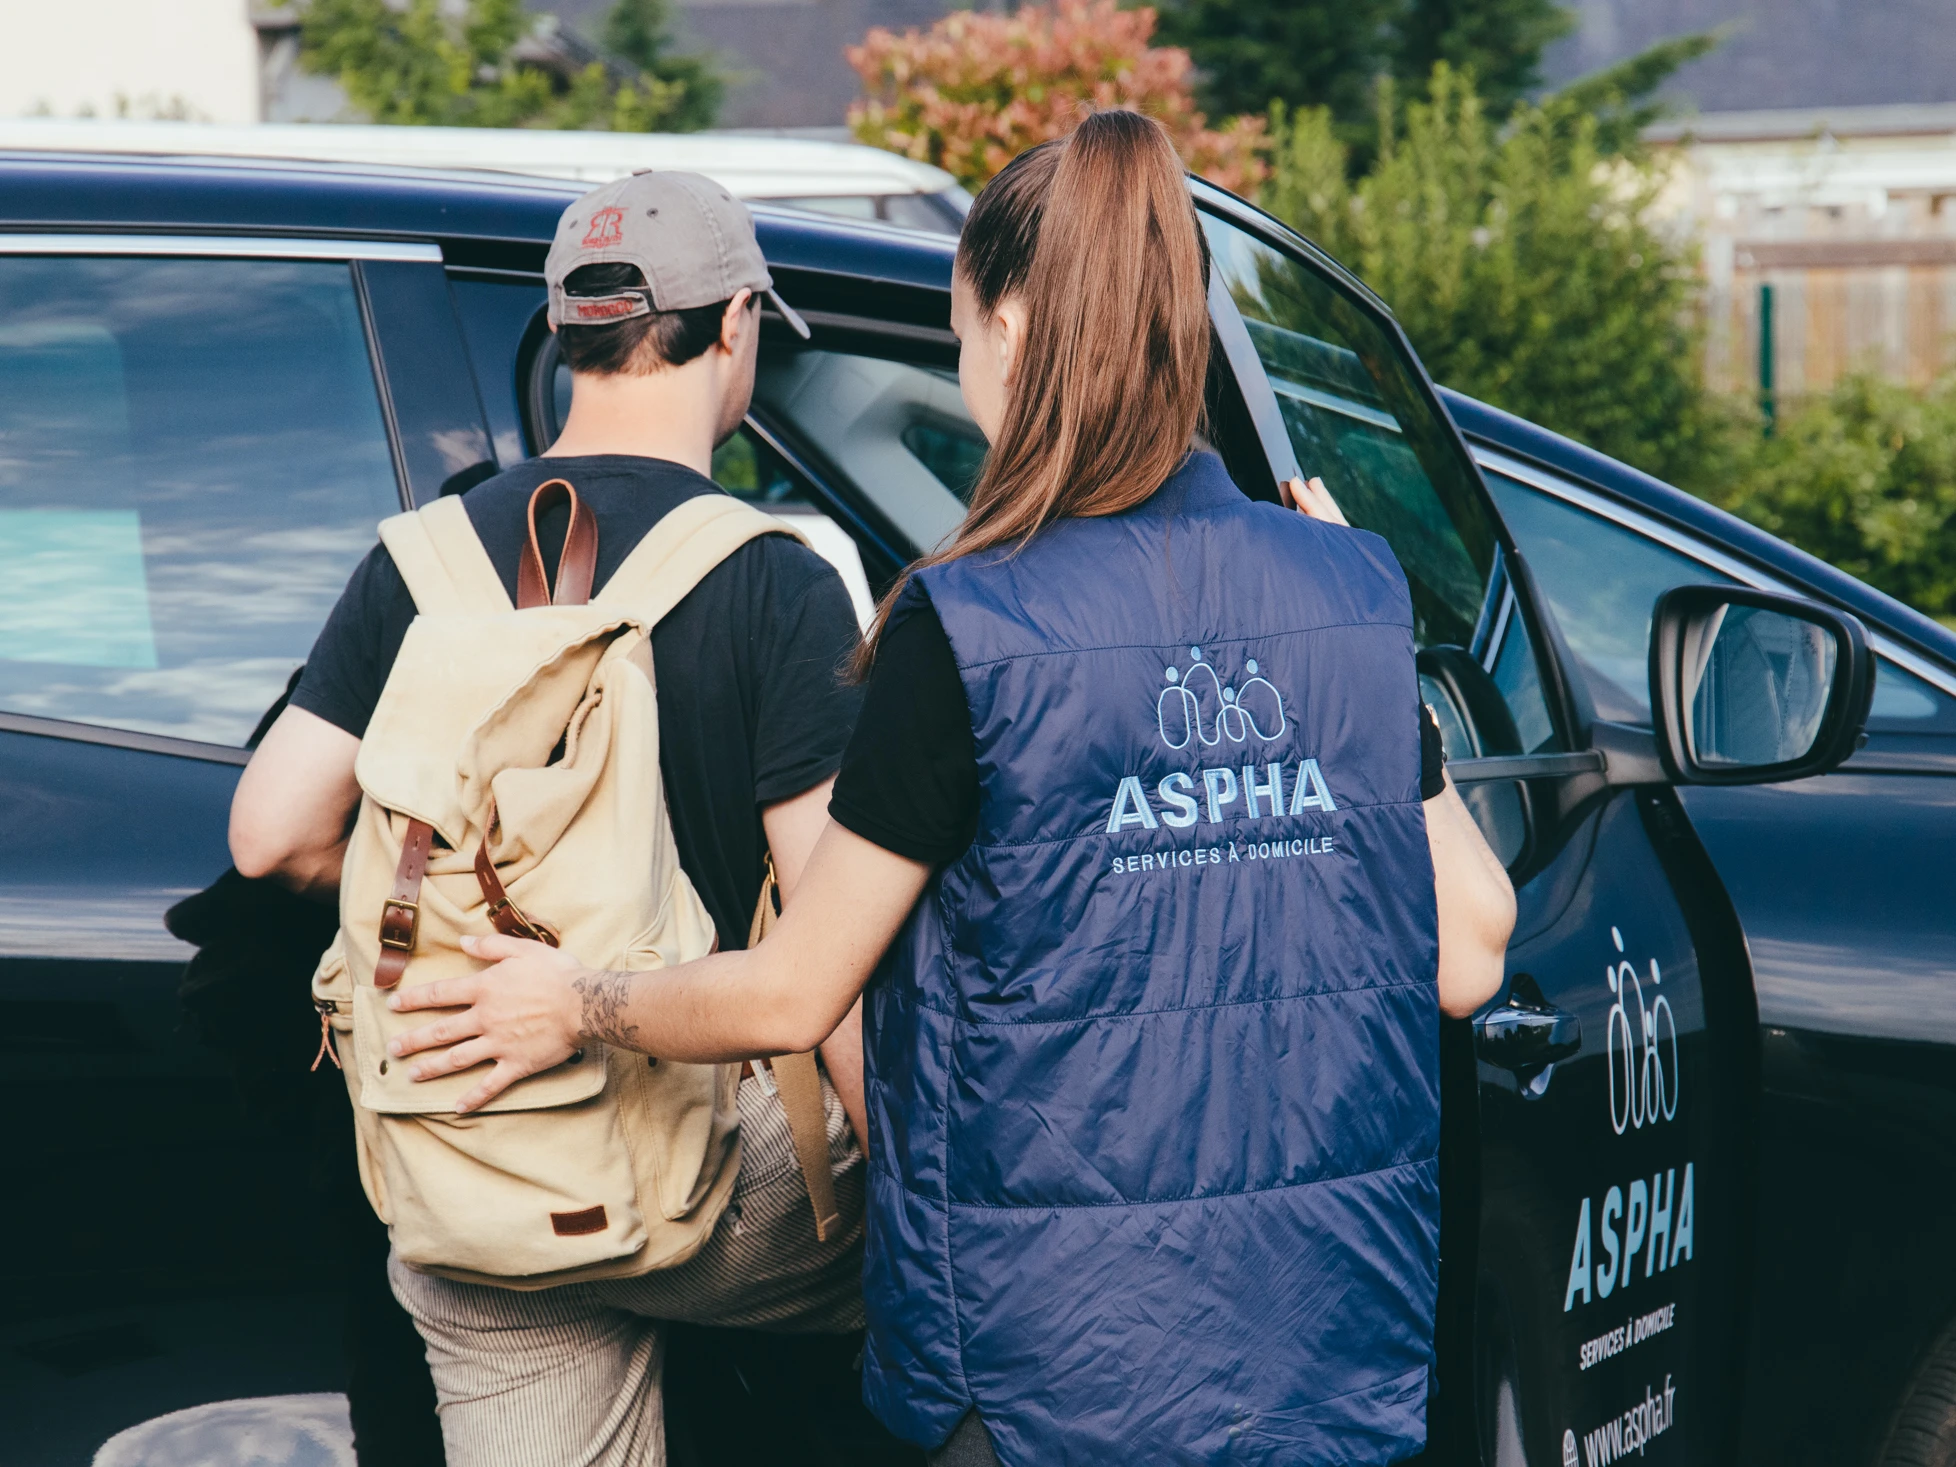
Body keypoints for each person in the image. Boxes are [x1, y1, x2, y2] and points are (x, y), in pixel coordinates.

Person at [383, 115, 1518, 1465]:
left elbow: (798, 989)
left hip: (1050, 1387)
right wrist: (1371, 654)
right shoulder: (1354, 589)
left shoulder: (969, 628)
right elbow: (1468, 948)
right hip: (1322, 1364)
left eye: (961, 328)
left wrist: (575, 998)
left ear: (1013, 324)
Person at [229, 171, 917, 1466]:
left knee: (491, 1285)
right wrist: (935, 1217)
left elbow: (268, 834)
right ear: (735, 330)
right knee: (972, 1286)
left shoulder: (421, 561)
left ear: (567, 335)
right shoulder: (773, 580)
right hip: (715, 1185)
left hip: (477, 1157)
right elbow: (839, 976)